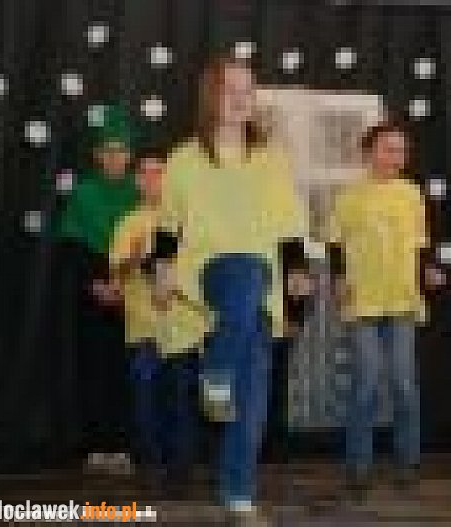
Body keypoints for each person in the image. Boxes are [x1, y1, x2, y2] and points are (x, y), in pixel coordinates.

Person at [154, 55, 309, 519]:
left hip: (260, 286)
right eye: (231, 89)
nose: (243, 98)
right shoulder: (184, 158)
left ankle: (238, 494)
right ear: (210, 97)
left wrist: (296, 270)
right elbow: (168, 227)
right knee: (243, 270)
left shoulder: (271, 158)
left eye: (248, 89)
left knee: (254, 394)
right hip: (209, 271)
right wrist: (161, 273)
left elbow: (289, 224)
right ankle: (215, 372)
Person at [327, 121, 429, 499]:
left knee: (404, 384)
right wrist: (340, 278)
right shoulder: (349, 196)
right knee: (366, 383)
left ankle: (408, 462)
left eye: (402, 150)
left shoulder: (413, 194)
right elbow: (335, 242)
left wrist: (427, 271)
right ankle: (359, 467)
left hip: (402, 299)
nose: (397, 156)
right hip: (363, 301)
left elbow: (420, 244)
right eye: (389, 148)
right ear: (369, 151)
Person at [107, 149, 211, 499]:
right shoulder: (128, 222)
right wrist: (134, 258)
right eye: (146, 173)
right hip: (144, 329)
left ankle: (181, 472)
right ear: (137, 181)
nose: (153, 180)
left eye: (159, 172)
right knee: (145, 399)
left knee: (182, 400)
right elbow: (117, 272)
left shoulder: (188, 220)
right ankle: (150, 467)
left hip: (184, 327)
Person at [56, 103, 139, 475]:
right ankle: (96, 445)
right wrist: (96, 285)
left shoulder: (139, 194)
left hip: (133, 297)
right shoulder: (84, 193)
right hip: (93, 295)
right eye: (108, 150)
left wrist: (125, 287)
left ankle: (123, 445)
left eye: (121, 150)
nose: (115, 157)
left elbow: (148, 244)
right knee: (93, 368)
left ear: (130, 155)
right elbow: (74, 248)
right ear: (97, 155)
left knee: (126, 370)